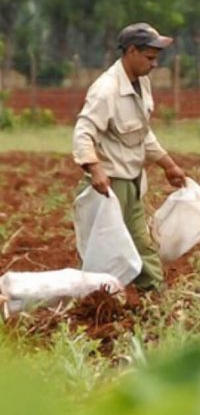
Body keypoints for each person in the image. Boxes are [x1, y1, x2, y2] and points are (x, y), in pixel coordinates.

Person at [72, 23, 187, 291]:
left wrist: (168, 165)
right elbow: (83, 132)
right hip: (108, 185)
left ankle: (155, 301)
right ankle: (91, 304)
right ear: (131, 51)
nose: (154, 64)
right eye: (149, 57)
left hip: (133, 181)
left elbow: (142, 132)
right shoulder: (106, 89)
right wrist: (95, 168)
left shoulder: (141, 84)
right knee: (102, 249)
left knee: (141, 244)